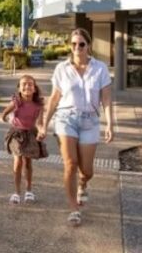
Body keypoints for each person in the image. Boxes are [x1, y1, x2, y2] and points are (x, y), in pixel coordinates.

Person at [43, 28, 115, 226]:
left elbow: (106, 99)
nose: (77, 48)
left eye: (81, 44)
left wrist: (109, 124)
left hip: (90, 121)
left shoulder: (100, 68)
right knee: (70, 163)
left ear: (88, 45)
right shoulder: (61, 69)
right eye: (73, 44)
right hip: (66, 118)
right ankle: (73, 208)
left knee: (87, 170)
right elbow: (54, 98)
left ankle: (83, 184)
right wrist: (44, 124)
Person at [0, 75, 46, 205]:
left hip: (30, 133)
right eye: (24, 84)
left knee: (28, 163)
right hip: (17, 134)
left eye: (30, 84)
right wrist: (8, 119)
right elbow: (4, 114)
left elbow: (40, 123)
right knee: (18, 160)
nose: (27, 86)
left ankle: (29, 190)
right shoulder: (16, 102)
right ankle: (16, 192)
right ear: (19, 88)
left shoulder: (38, 105)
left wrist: (41, 131)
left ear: (35, 88)